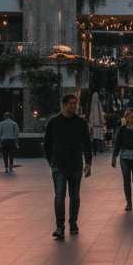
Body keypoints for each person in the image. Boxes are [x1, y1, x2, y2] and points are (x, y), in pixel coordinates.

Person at [43, 93, 92, 239]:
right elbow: (47, 145)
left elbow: (87, 144)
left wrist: (88, 163)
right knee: (59, 196)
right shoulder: (54, 122)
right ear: (63, 105)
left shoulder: (81, 123)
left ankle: (73, 223)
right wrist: (51, 162)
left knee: (74, 196)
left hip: (76, 165)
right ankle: (59, 226)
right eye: (70, 103)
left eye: (75, 103)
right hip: (58, 165)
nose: (73, 106)